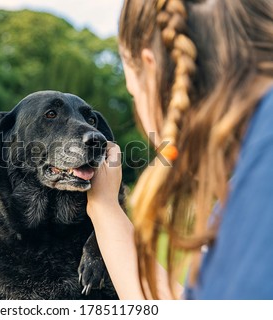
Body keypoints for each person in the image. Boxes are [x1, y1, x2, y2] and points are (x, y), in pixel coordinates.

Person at [87, 0, 273, 299]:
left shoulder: (261, 184)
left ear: (151, 66)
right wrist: (104, 207)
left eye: (133, 93)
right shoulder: (250, 172)